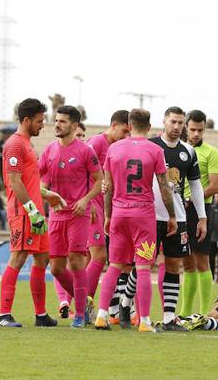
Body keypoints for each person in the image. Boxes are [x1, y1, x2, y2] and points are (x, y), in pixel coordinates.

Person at [119, 106, 206, 331]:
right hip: (148, 215)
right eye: (173, 122)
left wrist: (202, 217)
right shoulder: (150, 146)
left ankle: (168, 318)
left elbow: (195, 186)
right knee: (143, 264)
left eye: (180, 123)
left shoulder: (188, 151)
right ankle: (126, 302)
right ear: (164, 122)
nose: (176, 127)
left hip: (178, 217)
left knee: (173, 265)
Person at [94, 108, 177, 333]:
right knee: (142, 268)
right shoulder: (155, 150)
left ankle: (102, 315)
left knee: (114, 266)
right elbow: (164, 187)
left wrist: (109, 215)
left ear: (129, 126)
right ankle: (145, 321)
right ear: (149, 128)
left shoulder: (113, 148)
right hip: (143, 215)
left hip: (120, 213)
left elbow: (108, 187)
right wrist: (171, 215)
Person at [0, 98, 66, 328]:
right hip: (23, 212)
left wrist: (47, 195)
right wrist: (33, 211)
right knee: (18, 258)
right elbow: (15, 182)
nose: (43, 125)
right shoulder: (15, 145)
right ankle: (4, 315)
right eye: (39, 120)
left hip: (35, 210)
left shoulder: (26, 143)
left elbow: (28, 181)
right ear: (26, 120)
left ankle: (40, 315)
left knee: (42, 257)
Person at [39, 105, 102, 328]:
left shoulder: (85, 151)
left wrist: (85, 201)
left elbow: (99, 180)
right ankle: (83, 302)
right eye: (56, 120)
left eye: (63, 121)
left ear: (74, 126)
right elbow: (41, 183)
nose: (57, 124)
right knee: (56, 268)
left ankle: (80, 314)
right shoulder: (49, 151)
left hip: (78, 214)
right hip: (56, 216)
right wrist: (47, 196)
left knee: (76, 262)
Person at [84, 110, 130, 309]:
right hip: (94, 206)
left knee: (89, 258)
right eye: (124, 131)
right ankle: (83, 303)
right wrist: (87, 201)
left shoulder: (120, 147)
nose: (127, 136)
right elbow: (81, 171)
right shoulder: (97, 143)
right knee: (100, 256)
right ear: (113, 125)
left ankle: (75, 304)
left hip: (110, 209)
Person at [181, 110, 218, 317]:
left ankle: (205, 312)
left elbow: (215, 186)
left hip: (200, 210)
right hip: (179, 210)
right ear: (186, 127)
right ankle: (185, 312)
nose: (196, 133)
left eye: (200, 130)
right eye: (193, 129)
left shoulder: (211, 152)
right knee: (186, 262)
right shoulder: (179, 151)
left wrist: (191, 199)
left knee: (201, 260)